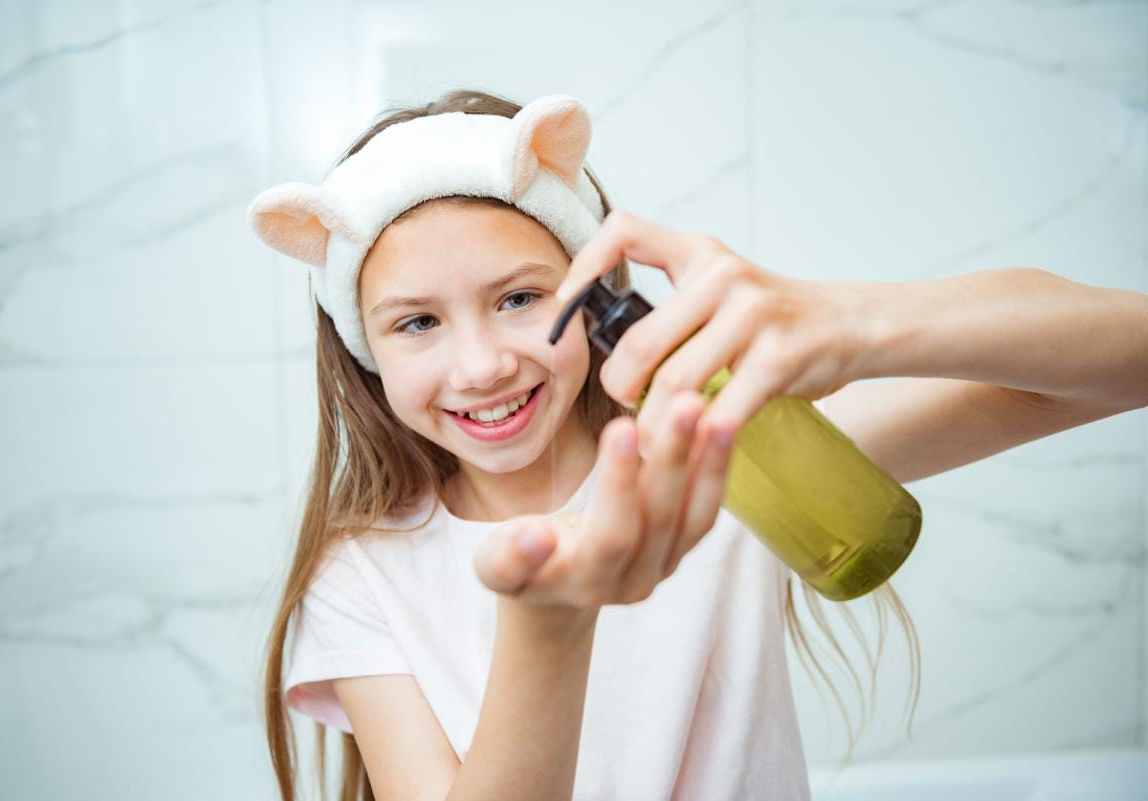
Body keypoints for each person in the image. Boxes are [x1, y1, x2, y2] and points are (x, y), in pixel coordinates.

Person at [247, 89, 1147, 801]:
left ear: (591, 289)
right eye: (416, 322)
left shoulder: (716, 445)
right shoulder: (363, 572)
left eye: (521, 299)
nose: (480, 364)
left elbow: (1122, 363)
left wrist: (861, 324)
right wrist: (548, 622)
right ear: (364, 352)